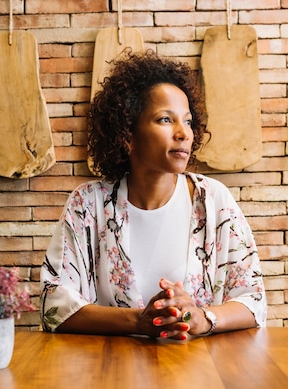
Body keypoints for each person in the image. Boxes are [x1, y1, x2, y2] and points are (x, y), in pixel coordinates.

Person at [39, 50, 266, 341]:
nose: (183, 133)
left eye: (187, 121)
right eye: (165, 120)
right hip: (110, 372)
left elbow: (253, 301)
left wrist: (202, 317)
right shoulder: (88, 205)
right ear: (127, 135)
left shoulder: (213, 201)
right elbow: (54, 306)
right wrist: (138, 321)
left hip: (204, 374)